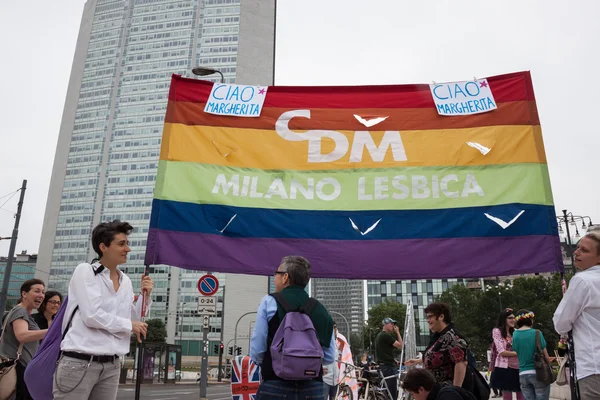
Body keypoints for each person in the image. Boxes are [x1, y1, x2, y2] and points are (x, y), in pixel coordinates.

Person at [53, 220, 154, 400]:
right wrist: (130, 325)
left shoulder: (126, 281)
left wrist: (145, 295)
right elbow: (91, 316)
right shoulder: (85, 272)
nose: (127, 249)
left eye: (127, 244)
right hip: (79, 362)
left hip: (112, 365)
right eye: (121, 244)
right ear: (103, 247)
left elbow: (135, 319)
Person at [250, 256, 335, 400]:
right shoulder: (321, 309)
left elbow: (258, 349)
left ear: (285, 277)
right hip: (313, 387)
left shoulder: (269, 302)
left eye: (276, 274)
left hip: (275, 383)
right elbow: (329, 356)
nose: (275, 278)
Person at [553, 230, 600, 399]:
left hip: (593, 364)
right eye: (577, 247)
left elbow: (561, 323)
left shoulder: (583, 280)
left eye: (584, 250)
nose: (576, 252)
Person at [405, 303, 472, 391]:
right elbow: (442, 355)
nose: (428, 320)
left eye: (430, 317)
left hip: (447, 391)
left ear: (441, 317)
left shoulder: (453, 337)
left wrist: (455, 391)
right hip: (438, 390)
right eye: (427, 317)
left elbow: (461, 363)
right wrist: (418, 361)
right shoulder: (439, 336)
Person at [0, 279, 48, 399]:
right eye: (37, 291)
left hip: (19, 368)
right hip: (18, 369)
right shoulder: (20, 311)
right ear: (24, 294)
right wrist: (52, 332)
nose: (41, 295)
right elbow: (22, 335)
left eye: (43, 292)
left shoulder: (22, 312)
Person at [511, 310, 551, 400]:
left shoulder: (515, 335)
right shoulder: (537, 333)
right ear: (530, 320)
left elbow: (516, 351)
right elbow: (546, 355)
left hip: (523, 374)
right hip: (538, 373)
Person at [489, 308, 523, 400]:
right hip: (505, 367)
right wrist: (518, 353)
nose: (513, 320)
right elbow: (502, 351)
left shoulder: (516, 332)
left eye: (513, 318)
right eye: (510, 318)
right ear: (504, 319)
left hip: (518, 367)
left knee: (521, 395)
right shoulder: (497, 331)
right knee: (507, 396)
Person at [401, 368, 476, 400]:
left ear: (421, 389)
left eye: (413, 394)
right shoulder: (439, 393)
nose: (414, 398)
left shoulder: (446, 395)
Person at [375, 317, 403, 400]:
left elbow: (383, 352)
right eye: (391, 324)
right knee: (392, 392)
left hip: (384, 366)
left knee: (387, 391)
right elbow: (400, 345)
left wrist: (393, 359)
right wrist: (398, 332)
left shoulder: (379, 335)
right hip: (388, 367)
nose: (393, 326)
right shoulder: (385, 335)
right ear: (385, 325)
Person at [323, 322, 340, 400]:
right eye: (333, 327)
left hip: (335, 380)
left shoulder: (336, 345)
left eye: (335, 328)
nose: (335, 329)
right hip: (325, 379)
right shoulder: (324, 342)